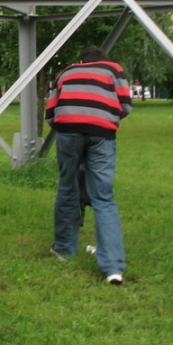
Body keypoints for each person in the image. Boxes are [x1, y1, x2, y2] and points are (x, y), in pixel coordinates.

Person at [46, 46, 132, 285]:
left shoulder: (66, 72)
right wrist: (103, 122)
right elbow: (125, 105)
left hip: (68, 131)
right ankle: (113, 268)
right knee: (104, 196)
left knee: (67, 187)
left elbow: (51, 112)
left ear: (81, 61)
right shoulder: (114, 70)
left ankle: (64, 249)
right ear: (103, 60)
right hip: (102, 133)